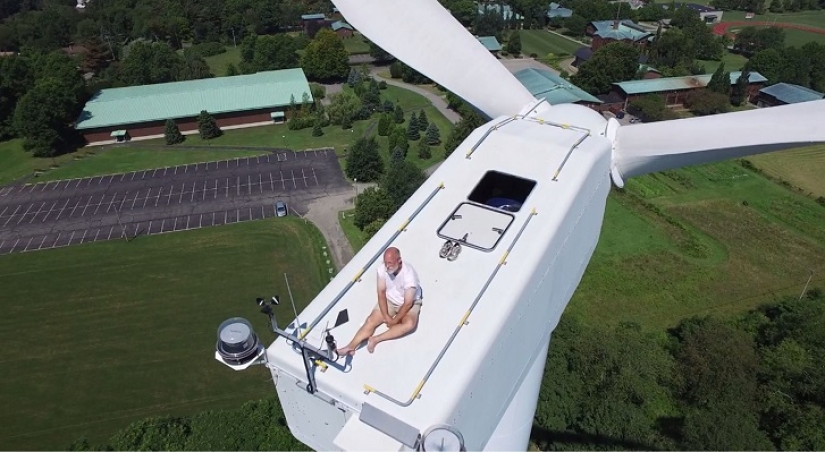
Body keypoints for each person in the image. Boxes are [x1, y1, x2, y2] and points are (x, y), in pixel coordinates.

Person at [337, 247, 422, 355]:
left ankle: (376, 339)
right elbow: (381, 292)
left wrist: (395, 320)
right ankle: (350, 347)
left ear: (399, 261)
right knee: (370, 320)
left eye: (390, 263)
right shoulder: (382, 269)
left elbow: (408, 303)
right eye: (386, 262)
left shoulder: (409, 276)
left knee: (409, 324)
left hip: (409, 303)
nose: (387, 266)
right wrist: (386, 316)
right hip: (390, 300)